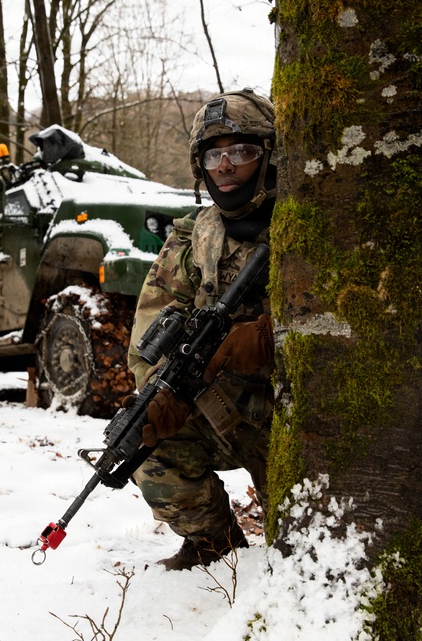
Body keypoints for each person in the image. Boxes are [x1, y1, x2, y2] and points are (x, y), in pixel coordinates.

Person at [127, 89, 277, 571]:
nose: (227, 165)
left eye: (242, 151)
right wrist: (160, 392)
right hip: (225, 411)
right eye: (214, 154)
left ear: (268, 154)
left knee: (302, 537)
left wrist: (268, 339)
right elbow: (148, 334)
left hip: (299, 417)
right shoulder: (194, 239)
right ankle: (214, 545)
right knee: (146, 445)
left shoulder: (307, 226)